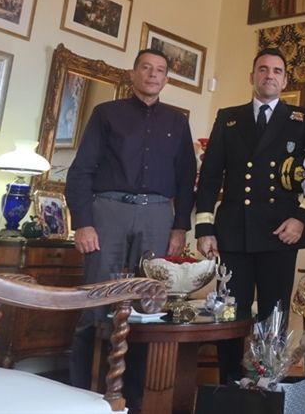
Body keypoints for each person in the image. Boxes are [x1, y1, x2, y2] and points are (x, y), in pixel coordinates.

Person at [65, 48, 197, 410]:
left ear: (166, 78)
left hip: (157, 215)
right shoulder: (106, 113)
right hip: (108, 212)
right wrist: (83, 223)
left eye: (160, 70)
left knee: (148, 308)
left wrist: (180, 228)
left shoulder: (177, 122)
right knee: (95, 301)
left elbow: (186, 178)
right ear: (133, 73)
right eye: (146, 68)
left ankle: (133, 400)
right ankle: (80, 395)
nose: (153, 74)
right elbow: (81, 171)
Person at [196, 48, 305, 382]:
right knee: (230, 314)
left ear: (284, 81)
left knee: (274, 314)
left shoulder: (300, 119)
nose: (269, 75)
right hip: (234, 232)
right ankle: (229, 384)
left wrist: (301, 219)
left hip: (280, 231)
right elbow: (210, 176)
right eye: (263, 69)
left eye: (276, 71)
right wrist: (204, 228)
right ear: (252, 76)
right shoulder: (229, 118)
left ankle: (268, 384)